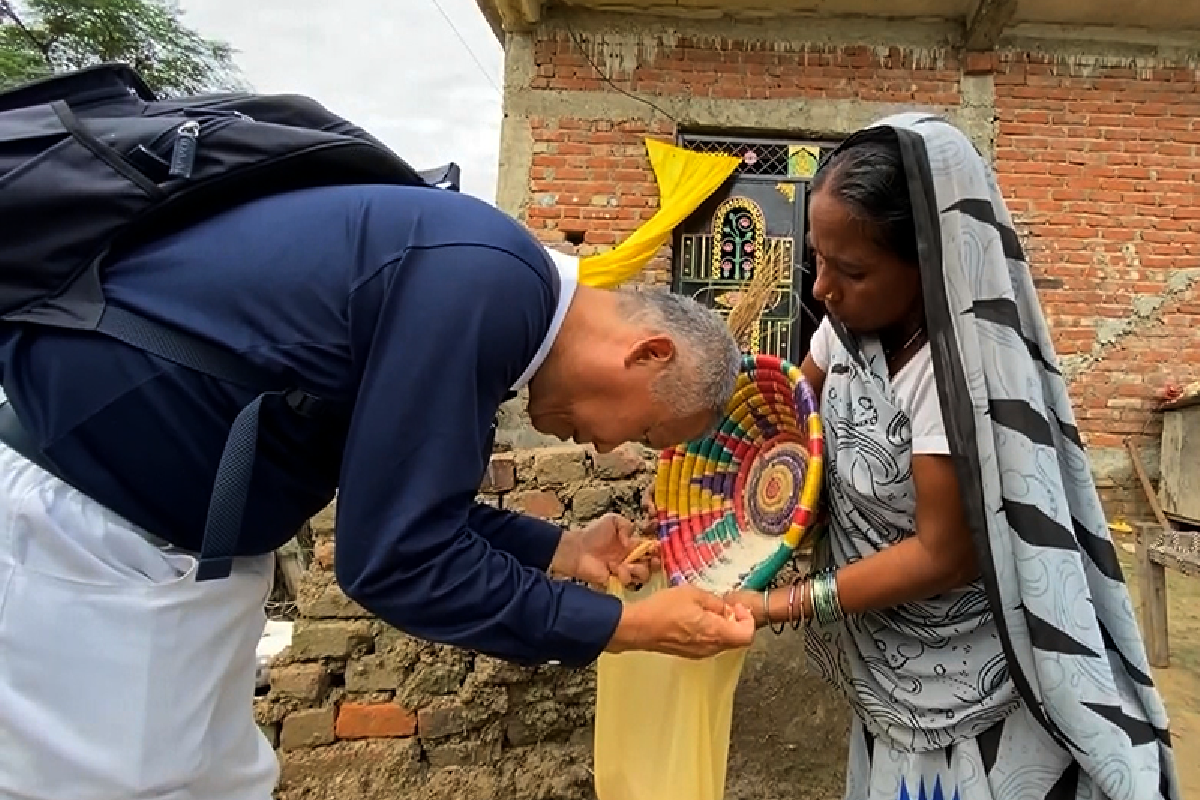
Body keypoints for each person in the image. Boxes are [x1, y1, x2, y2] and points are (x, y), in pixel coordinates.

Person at [0, 182, 755, 800]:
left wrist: (564, 548)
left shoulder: (497, 288)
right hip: (86, 536)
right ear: (647, 354)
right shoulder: (482, 289)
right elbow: (395, 560)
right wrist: (628, 628)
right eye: (648, 431)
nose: (609, 447)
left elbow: (413, 506)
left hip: (156, 550)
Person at [720, 115, 1180, 800]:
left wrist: (784, 603)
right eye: (818, 258)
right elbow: (790, 424)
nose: (821, 289)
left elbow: (946, 556)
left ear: (929, 262)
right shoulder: (845, 332)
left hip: (967, 684)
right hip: (887, 670)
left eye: (851, 270)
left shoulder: (951, 378)